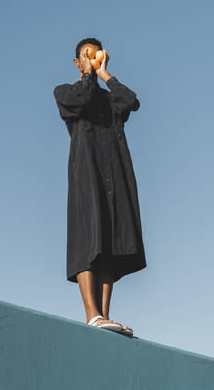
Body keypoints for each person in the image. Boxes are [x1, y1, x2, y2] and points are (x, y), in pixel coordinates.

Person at [53, 37, 147, 337]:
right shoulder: (66, 92)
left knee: (112, 241)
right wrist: (89, 75)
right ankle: (91, 314)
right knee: (88, 238)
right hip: (87, 174)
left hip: (115, 175)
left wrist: (105, 74)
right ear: (76, 62)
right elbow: (81, 98)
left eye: (95, 55)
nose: (90, 59)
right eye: (85, 55)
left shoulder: (109, 99)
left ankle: (105, 317)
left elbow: (131, 100)